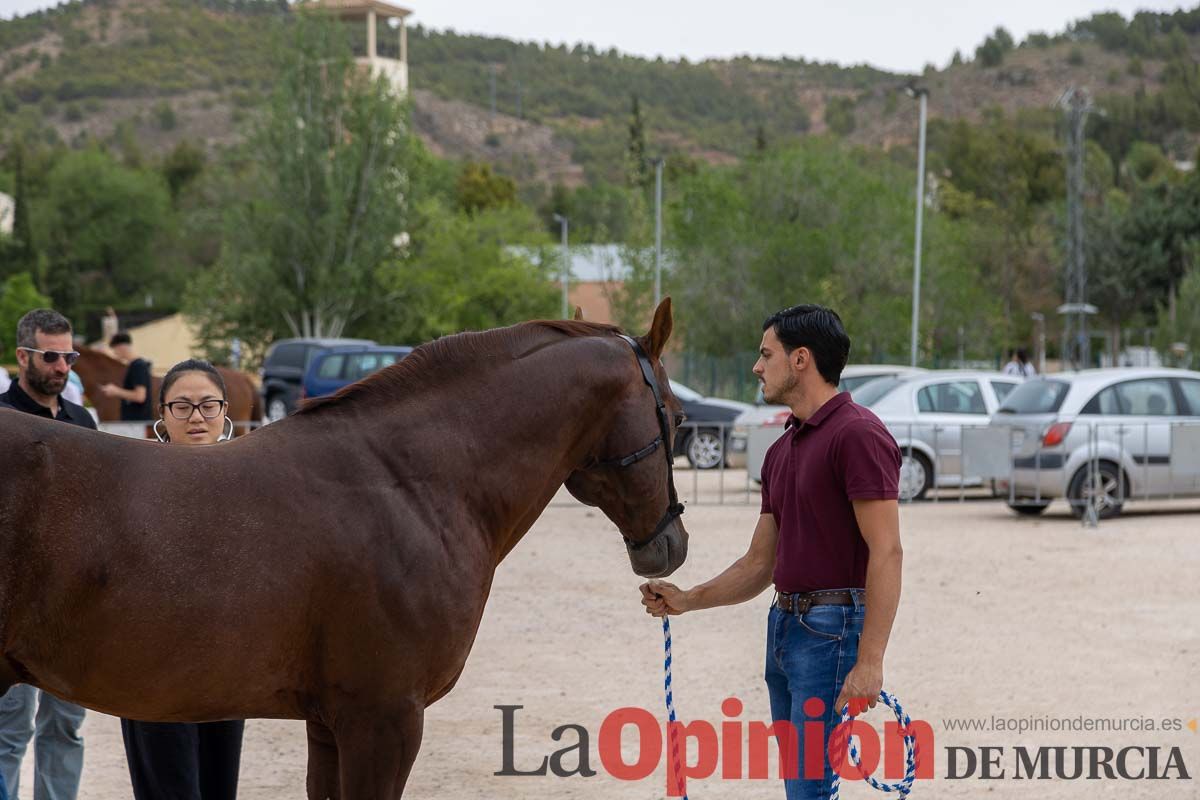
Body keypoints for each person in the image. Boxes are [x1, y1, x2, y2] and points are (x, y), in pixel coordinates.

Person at [640, 305, 904, 800]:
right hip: (783, 627)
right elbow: (760, 563)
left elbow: (887, 552)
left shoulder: (858, 434)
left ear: (801, 359)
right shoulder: (783, 449)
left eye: (767, 354)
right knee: (803, 788)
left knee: (808, 791)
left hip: (831, 632)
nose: (757, 367)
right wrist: (687, 598)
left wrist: (870, 661)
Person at [121, 358, 244, 800]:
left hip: (226, 668)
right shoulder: (134, 481)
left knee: (218, 788)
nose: (197, 416)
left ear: (225, 412)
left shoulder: (249, 484)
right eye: (183, 406)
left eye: (208, 405)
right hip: (154, 668)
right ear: (163, 415)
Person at [0, 309, 95, 800]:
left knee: (66, 727)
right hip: (12, 609)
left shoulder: (84, 421)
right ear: (23, 356)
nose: (63, 367)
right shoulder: (1, 421)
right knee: (8, 732)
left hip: (71, 608)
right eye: (52, 356)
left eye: (69, 356)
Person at [100, 331, 153, 420]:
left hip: (137, 422)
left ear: (122, 347)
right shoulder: (134, 365)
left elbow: (140, 396)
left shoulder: (138, 366)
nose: (115, 353)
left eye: (115, 349)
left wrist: (116, 391)